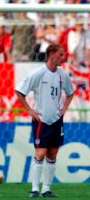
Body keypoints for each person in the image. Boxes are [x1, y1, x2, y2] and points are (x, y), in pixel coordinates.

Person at [15, 44, 74, 198]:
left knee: (53, 154)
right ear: (52, 54)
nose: (63, 57)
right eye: (61, 54)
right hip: (41, 120)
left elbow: (70, 93)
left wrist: (64, 109)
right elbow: (19, 91)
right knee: (40, 153)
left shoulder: (63, 75)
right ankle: (35, 188)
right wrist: (29, 109)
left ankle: (46, 189)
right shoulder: (38, 73)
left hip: (57, 120)